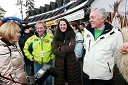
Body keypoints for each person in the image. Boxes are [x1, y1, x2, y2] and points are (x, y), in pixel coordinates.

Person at [82, 8, 123, 85]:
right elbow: (86, 48)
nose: (90, 20)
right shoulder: (86, 32)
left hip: (103, 77)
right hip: (86, 73)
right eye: (90, 17)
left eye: (93, 17)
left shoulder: (116, 34)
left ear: (103, 19)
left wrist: (107, 66)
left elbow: (118, 55)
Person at [23, 21, 55, 85]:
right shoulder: (31, 39)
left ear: (45, 28)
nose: (39, 30)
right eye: (38, 28)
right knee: (39, 81)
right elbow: (25, 49)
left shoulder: (51, 37)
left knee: (49, 81)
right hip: (37, 64)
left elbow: (55, 48)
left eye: (41, 28)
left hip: (48, 63)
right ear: (36, 29)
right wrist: (31, 58)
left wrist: (52, 57)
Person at [52, 18, 82, 85]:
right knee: (61, 80)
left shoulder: (72, 34)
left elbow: (72, 47)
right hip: (60, 63)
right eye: (61, 25)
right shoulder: (56, 36)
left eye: (64, 24)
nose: (62, 26)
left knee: (73, 80)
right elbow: (54, 50)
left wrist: (60, 49)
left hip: (71, 62)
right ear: (59, 26)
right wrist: (66, 48)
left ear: (67, 25)